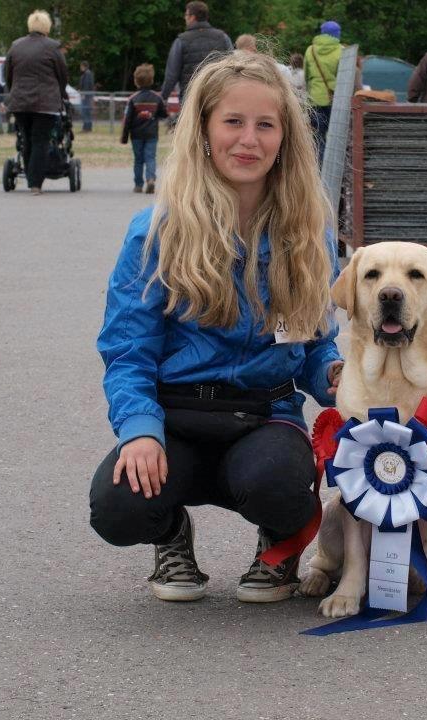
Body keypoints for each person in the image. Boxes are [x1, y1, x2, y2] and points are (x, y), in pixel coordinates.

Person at [91, 50, 343, 604]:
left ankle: (278, 545)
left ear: (285, 139)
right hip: (176, 418)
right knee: (117, 507)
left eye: (265, 125)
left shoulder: (310, 233)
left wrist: (339, 377)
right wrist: (139, 430)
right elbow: (127, 352)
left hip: (264, 419)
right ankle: (170, 536)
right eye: (233, 121)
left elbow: (314, 344)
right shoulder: (154, 233)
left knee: (278, 485)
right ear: (204, 130)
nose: (248, 139)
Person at [5, 9, 68, 194]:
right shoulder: (53, 47)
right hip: (45, 103)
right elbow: (62, 74)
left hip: (20, 102)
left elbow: (8, 73)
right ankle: (35, 184)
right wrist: (61, 92)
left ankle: (31, 179)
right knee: (41, 141)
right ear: (47, 27)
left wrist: (13, 91)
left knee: (26, 140)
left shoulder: (15, 46)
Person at [160, 1, 233, 106]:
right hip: (217, 95)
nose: (184, 18)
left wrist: (163, 97)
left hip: (190, 96)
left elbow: (171, 75)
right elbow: (232, 66)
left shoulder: (181, 41)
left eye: (186, 15)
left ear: (192, 17)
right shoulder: (223, 37)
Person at [120, 63, 167, 194]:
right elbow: (163, 114)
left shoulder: (133, 99)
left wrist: (124, 137)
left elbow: (127, 120)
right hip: (152, 134)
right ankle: (151, 179)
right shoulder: (157, 98)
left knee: (138, 160)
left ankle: (138, 184)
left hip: (136, 135)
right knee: (151, 157)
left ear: (136, 81)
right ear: (151, 80)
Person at [304, 20, 343, 164]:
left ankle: (317, 171)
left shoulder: (310, 50)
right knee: (335, 138)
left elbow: (307, 77)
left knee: (317, 138)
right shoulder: (341, 51)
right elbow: (343, 77)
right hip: (335, 100)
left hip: (315, 100)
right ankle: (333, 170)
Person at [79, 61, 94, 132]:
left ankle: (87, 128)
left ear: (84, 66)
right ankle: (87, 127)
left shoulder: (87, 74)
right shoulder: (87, 74)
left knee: (85, 111)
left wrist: (84, 94)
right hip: (87, 95)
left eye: (81, 66)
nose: (80, 68)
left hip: (86, 96)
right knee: (86, 111)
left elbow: (87, 85)